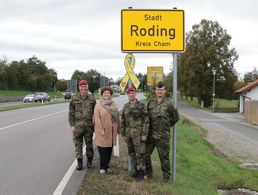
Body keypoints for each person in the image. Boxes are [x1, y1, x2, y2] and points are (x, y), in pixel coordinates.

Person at [145, 81, 179, 183]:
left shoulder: (169, 103)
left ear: (164, 91)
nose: (160, 91)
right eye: (158, 89)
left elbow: (176, 118)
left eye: (161, 90)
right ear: (156, 90)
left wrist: (166, 126)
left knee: (164, 157)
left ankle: (166, 177)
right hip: (151, 135)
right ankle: (149, 173)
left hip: (163, 136)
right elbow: (147, 117)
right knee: (145, 154)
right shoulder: (150, 102)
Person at [121, 87, 149, 181]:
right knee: (132, 153)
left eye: (133, 93)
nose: (131, 94)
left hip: (139, 134)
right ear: (127, 95)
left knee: (140, 154)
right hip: (129, 134)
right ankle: (135, 171)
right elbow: (123, 121)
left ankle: (141, 173)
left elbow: (146, 120)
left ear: (135, 94)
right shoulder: (125, 106)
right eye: (130, 93)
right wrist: (123, 134)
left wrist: (145, 134)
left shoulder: (141, 106)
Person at [69, 80, 96, 170]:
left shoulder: (92, 98)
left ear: (87, 87)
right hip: (78, 127)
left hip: (89, 126)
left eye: (85, 86)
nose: (84, 88)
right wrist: (72, 125)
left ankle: (89, 162)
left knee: (89, 145)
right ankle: (79, 163)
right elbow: (71, 113)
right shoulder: (74, 98)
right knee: (78, 145)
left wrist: (95, 124)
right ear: (79, 87)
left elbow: (95, 113)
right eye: (82, 86)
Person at [94, 87, 120, 174]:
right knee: (102, 150)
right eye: (105, 93)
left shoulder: (114, 104)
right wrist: (101, 130)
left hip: (112, 130)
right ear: (102, 95)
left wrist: (118, 128)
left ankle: (107, 165)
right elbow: (97, 119)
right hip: (102, 131)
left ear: (111, 95)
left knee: (109, 148)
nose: (106, 94)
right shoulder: (98, 105)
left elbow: (117, 117)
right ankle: (102, 167)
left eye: (108, 93)